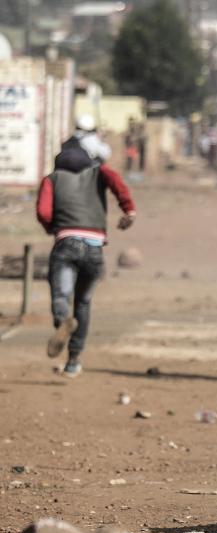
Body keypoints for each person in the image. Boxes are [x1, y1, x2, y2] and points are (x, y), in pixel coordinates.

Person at [35, 145, 136, 377]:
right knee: (83, 303)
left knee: (62, 296)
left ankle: (62, 320)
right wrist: (128, 209)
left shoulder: (52, 179)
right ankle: (74, 361)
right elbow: (115, 179)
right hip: (94, 248)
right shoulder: (99, 172)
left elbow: (43, 212)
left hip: (66, 243)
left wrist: (53, 228)